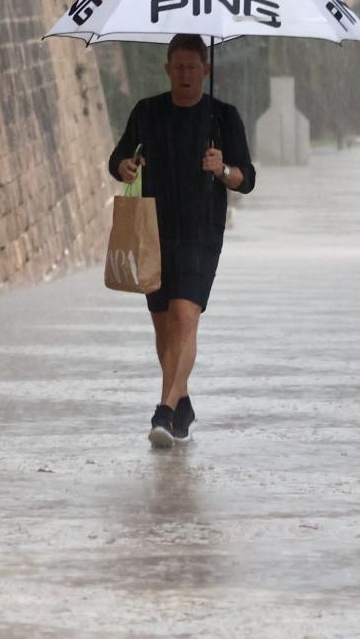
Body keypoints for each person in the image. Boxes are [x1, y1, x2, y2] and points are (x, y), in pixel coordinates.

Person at [107, 33, 256, 448]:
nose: (187, 74)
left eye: (194, 67)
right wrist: (127, 166)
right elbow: (116, 159)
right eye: (180, 67)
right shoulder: (147, 111)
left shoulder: (223, 117)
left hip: (202, 231)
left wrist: (222, 168)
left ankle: (165, 409)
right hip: (153, 229)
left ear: (206, 71)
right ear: (168, 69)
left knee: (185, 317)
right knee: (164, 327)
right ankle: (184, 402)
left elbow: (247, 178)